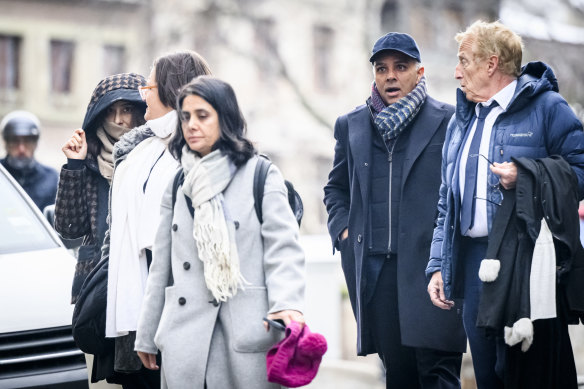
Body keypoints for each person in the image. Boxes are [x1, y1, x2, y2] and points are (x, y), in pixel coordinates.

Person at [426, 20, 584, 388]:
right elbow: (446, 201)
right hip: (470, 263)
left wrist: (527, 175)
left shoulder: (547, 107)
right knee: (487, 375)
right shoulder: (460, 121)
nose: (456, 71)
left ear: (491, 63)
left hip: (526, 267)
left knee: (527, 374)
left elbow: (580, 169)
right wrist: (438, 264)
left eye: (464, 60)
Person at [134, 76, 306, 389]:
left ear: (224, 119)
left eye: (202, 116)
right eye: (185, 117)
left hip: (246, 329)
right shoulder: (178, 184)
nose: (191, 125)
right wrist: (147, 333)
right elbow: (162, 266)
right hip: (185, 338)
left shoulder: (260, 174)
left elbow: (284, 248)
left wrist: (287, 303)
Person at [323, 32, 466, 388]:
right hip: (377, 276)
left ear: (419, 72)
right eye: (382, 68)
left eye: (400, 67)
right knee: (398, 376)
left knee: (438, 375)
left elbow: (459, 191)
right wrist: (344, 233)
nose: (390, 76)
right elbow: (335, 189)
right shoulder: (351, 125)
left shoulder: (449, 121)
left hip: (431, 271)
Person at [97, 51, 212, 389]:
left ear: (172, 90)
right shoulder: (138, 151)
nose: (142, 94)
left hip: (186, 309)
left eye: (149, 85)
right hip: (138, 309)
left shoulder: (206, 147)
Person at [53, 72, 147, 388]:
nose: (120, 119)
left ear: (141, 110)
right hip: (99, 290)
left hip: (143, 285)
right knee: (108, 381)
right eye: (111, 110)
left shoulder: (152, 158)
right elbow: (69, 228)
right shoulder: (89, 159)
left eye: (127, 109)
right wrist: (75, 166)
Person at [1, 110, 58, 211]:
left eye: (27, 141)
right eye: (15, 141)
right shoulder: (2, 174)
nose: (21, 149)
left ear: (36, 144)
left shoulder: (52, 179)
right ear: (6, 143)